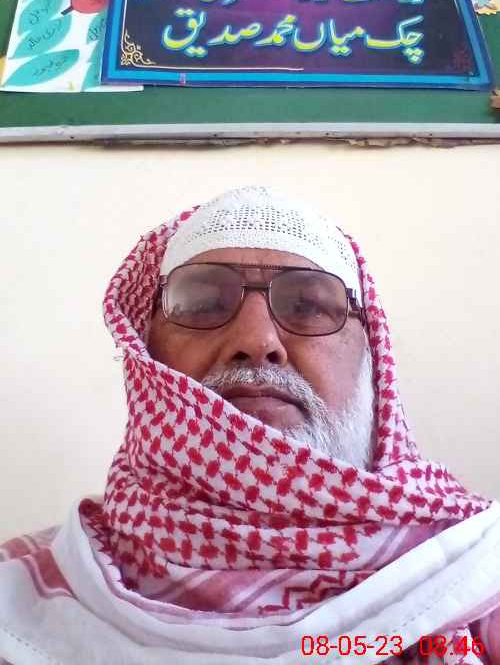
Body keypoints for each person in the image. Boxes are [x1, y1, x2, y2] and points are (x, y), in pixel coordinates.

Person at [0, 185, 499, 665]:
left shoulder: (477, 578)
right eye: (203, 304)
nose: (257, 341)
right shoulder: (19, 603)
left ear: (371, 360)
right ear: (147, 352)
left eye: (308, 306)